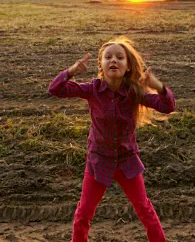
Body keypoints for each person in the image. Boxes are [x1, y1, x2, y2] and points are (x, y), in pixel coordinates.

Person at [48, 36, 176, 242]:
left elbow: (168, 106)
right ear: (101, 65)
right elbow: (55, 89)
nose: (113, 60)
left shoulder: (134, 92)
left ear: (127, 67)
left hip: (127, 162)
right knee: (83, 215)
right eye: (108, 57)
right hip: (99, 162)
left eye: (119, 57)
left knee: (146, 211)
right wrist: (71, 71)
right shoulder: (92, 90)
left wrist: (158, 86)